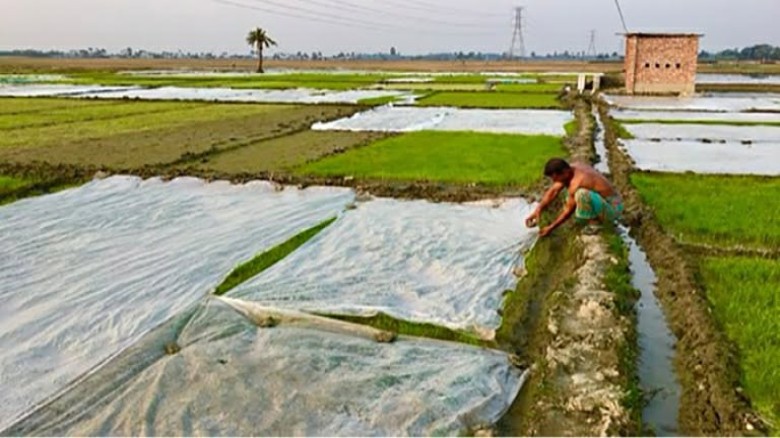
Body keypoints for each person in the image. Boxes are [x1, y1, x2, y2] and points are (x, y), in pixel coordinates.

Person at [525, 158, 623, 237]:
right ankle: (593, 218)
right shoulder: (573, 167)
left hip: (613, 207)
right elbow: (553, 191)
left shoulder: (578, 182)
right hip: (605, 201)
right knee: (573, 194)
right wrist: (538, 210)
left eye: (556, 178)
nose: (555, 182)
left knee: (581, 194)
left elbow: (568, 210)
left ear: (564, 172)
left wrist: (551, 228)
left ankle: (594, 224)